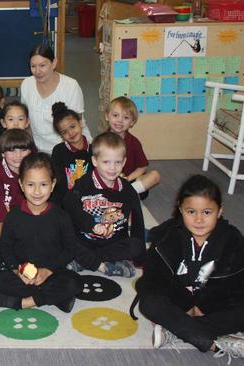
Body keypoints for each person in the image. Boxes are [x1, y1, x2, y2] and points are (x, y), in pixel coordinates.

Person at [136, 175, 244, 359]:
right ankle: (212, 344)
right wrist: (188, 307)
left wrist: (201, 307)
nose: (199, 220)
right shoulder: (166, 237)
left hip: (214, 304)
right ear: (180, 210)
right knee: (149, 303)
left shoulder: (233, 241)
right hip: (178, 301)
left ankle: (174, 330)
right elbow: (151, 279)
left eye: (207, 212)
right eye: (191, 212)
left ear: (220, 211)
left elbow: (234, 285)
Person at [0, 153, 83, 313]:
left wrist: (48, 271)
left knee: (75, 283)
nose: (37, 191)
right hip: (21, 274)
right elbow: (5, 247)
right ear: (21, 185)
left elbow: (70, 248)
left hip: (51, 272)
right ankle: (57, 299)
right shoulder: (13, 216)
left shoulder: (61, 216)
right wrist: (17, 270)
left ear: (52, 185)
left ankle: (23, 303)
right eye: (30, 185)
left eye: (43, 184)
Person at [62, 132, 145, 277]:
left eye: (117, 162)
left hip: (112, 242)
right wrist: (91, 225)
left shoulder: (127, 189)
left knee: (136, 246)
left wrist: (139, 259)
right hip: (85, 239)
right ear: (95, 161)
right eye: (106, 162)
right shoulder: (84, 183)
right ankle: (97, 262)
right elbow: (69, 205)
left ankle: (84, 261)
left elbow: (137, 220)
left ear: (124, 162)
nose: (112, 168)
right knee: (62, 238)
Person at [21, 44, 91, 153]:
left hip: (70, 146)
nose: (37, 71)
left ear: (54, 63)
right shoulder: (26, 84)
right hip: (39, 148)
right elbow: (25, 121)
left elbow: (76, 126)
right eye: (33, 66)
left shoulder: (71, 86)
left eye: (42, 65)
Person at [105, 96, 161, 197]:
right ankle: (122, 196)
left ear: (132, 122)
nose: (120, 120)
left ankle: (126, 195)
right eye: (115, 115)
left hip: (129, 181)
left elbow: (142, 166)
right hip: (106, 179)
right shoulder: (101, 141)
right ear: (107, 116)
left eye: (126, 117)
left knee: (155, 175)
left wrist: (128, 179)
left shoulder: (134, 143)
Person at [50, 102, 93, 204]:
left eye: (72, 126)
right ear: (61, 136)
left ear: (80, 122)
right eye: (64, 132)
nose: (70, 133)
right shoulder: (58, 151)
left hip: (89, 202)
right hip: (65, 202)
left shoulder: (94, 149)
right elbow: (58, 183)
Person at [0, 128, 37, 212]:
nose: (18, 155)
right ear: (3, 153)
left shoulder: (36, 170)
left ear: (30, 151)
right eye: (12, 150)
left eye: (23, 150)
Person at [0, 101, 30, 165]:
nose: (16, 124)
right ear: (3, 123)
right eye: (11, 119)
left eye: (20, 119)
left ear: (27, 122)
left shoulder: (29, 142)